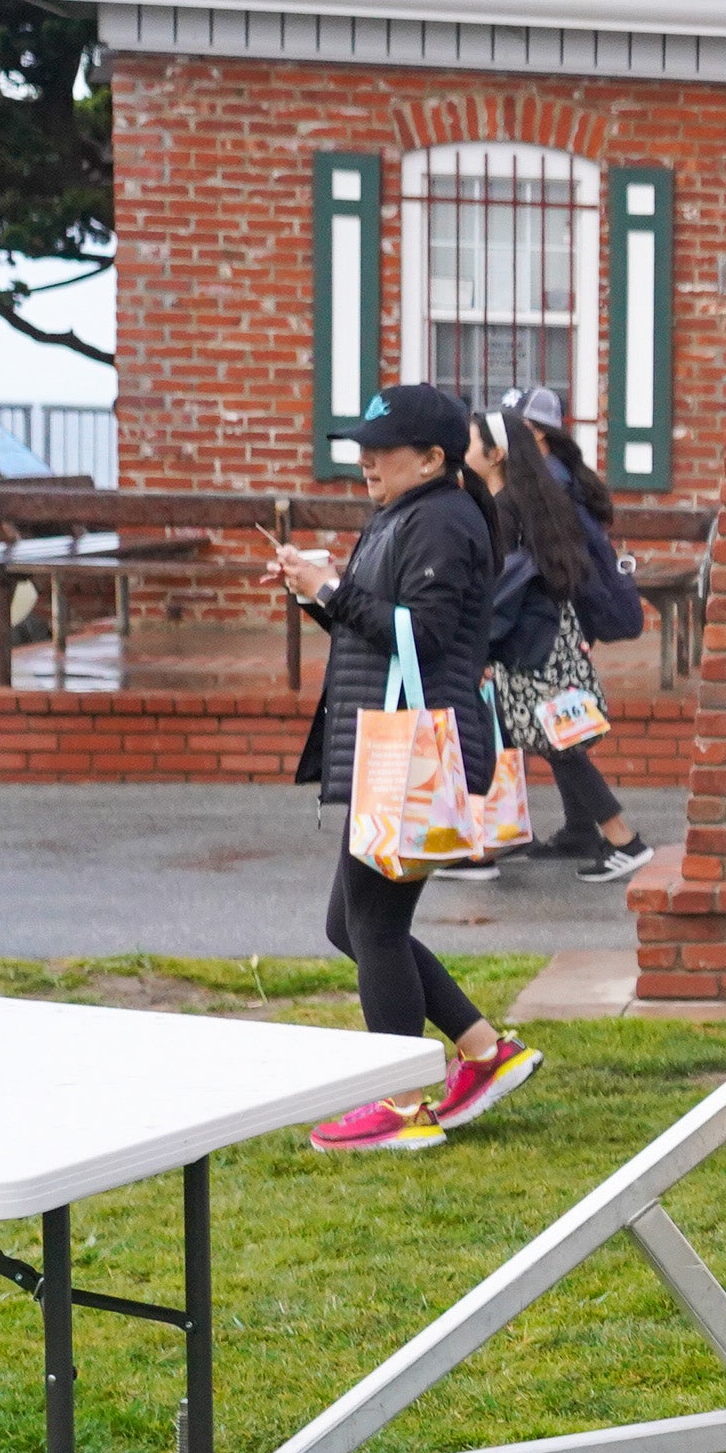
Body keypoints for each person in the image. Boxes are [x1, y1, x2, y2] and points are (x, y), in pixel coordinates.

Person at [268, 384, 542, 1153]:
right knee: (350, 924)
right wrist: (317, 595)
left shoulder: (444, 521)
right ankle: (486, 1049)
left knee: (374, 927)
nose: (366, 463)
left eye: (381, 451)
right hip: (383, 749)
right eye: (362, 449)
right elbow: (377, 626)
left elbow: (420, 639)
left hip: (407, 753)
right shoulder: (409, 515)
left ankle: (401, 1105)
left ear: (431, 458)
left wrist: (332, 588)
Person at [449, 405, 655, 883]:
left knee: (554, 741)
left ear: (496, 454)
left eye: (471, 444)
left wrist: (480, 649)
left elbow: (500, 592)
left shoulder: (504, 510)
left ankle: (624, 840)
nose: (463, 453)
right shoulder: (528, 502)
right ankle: (492, 847)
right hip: (546, 638)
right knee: (533, 737)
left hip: (526, 647)